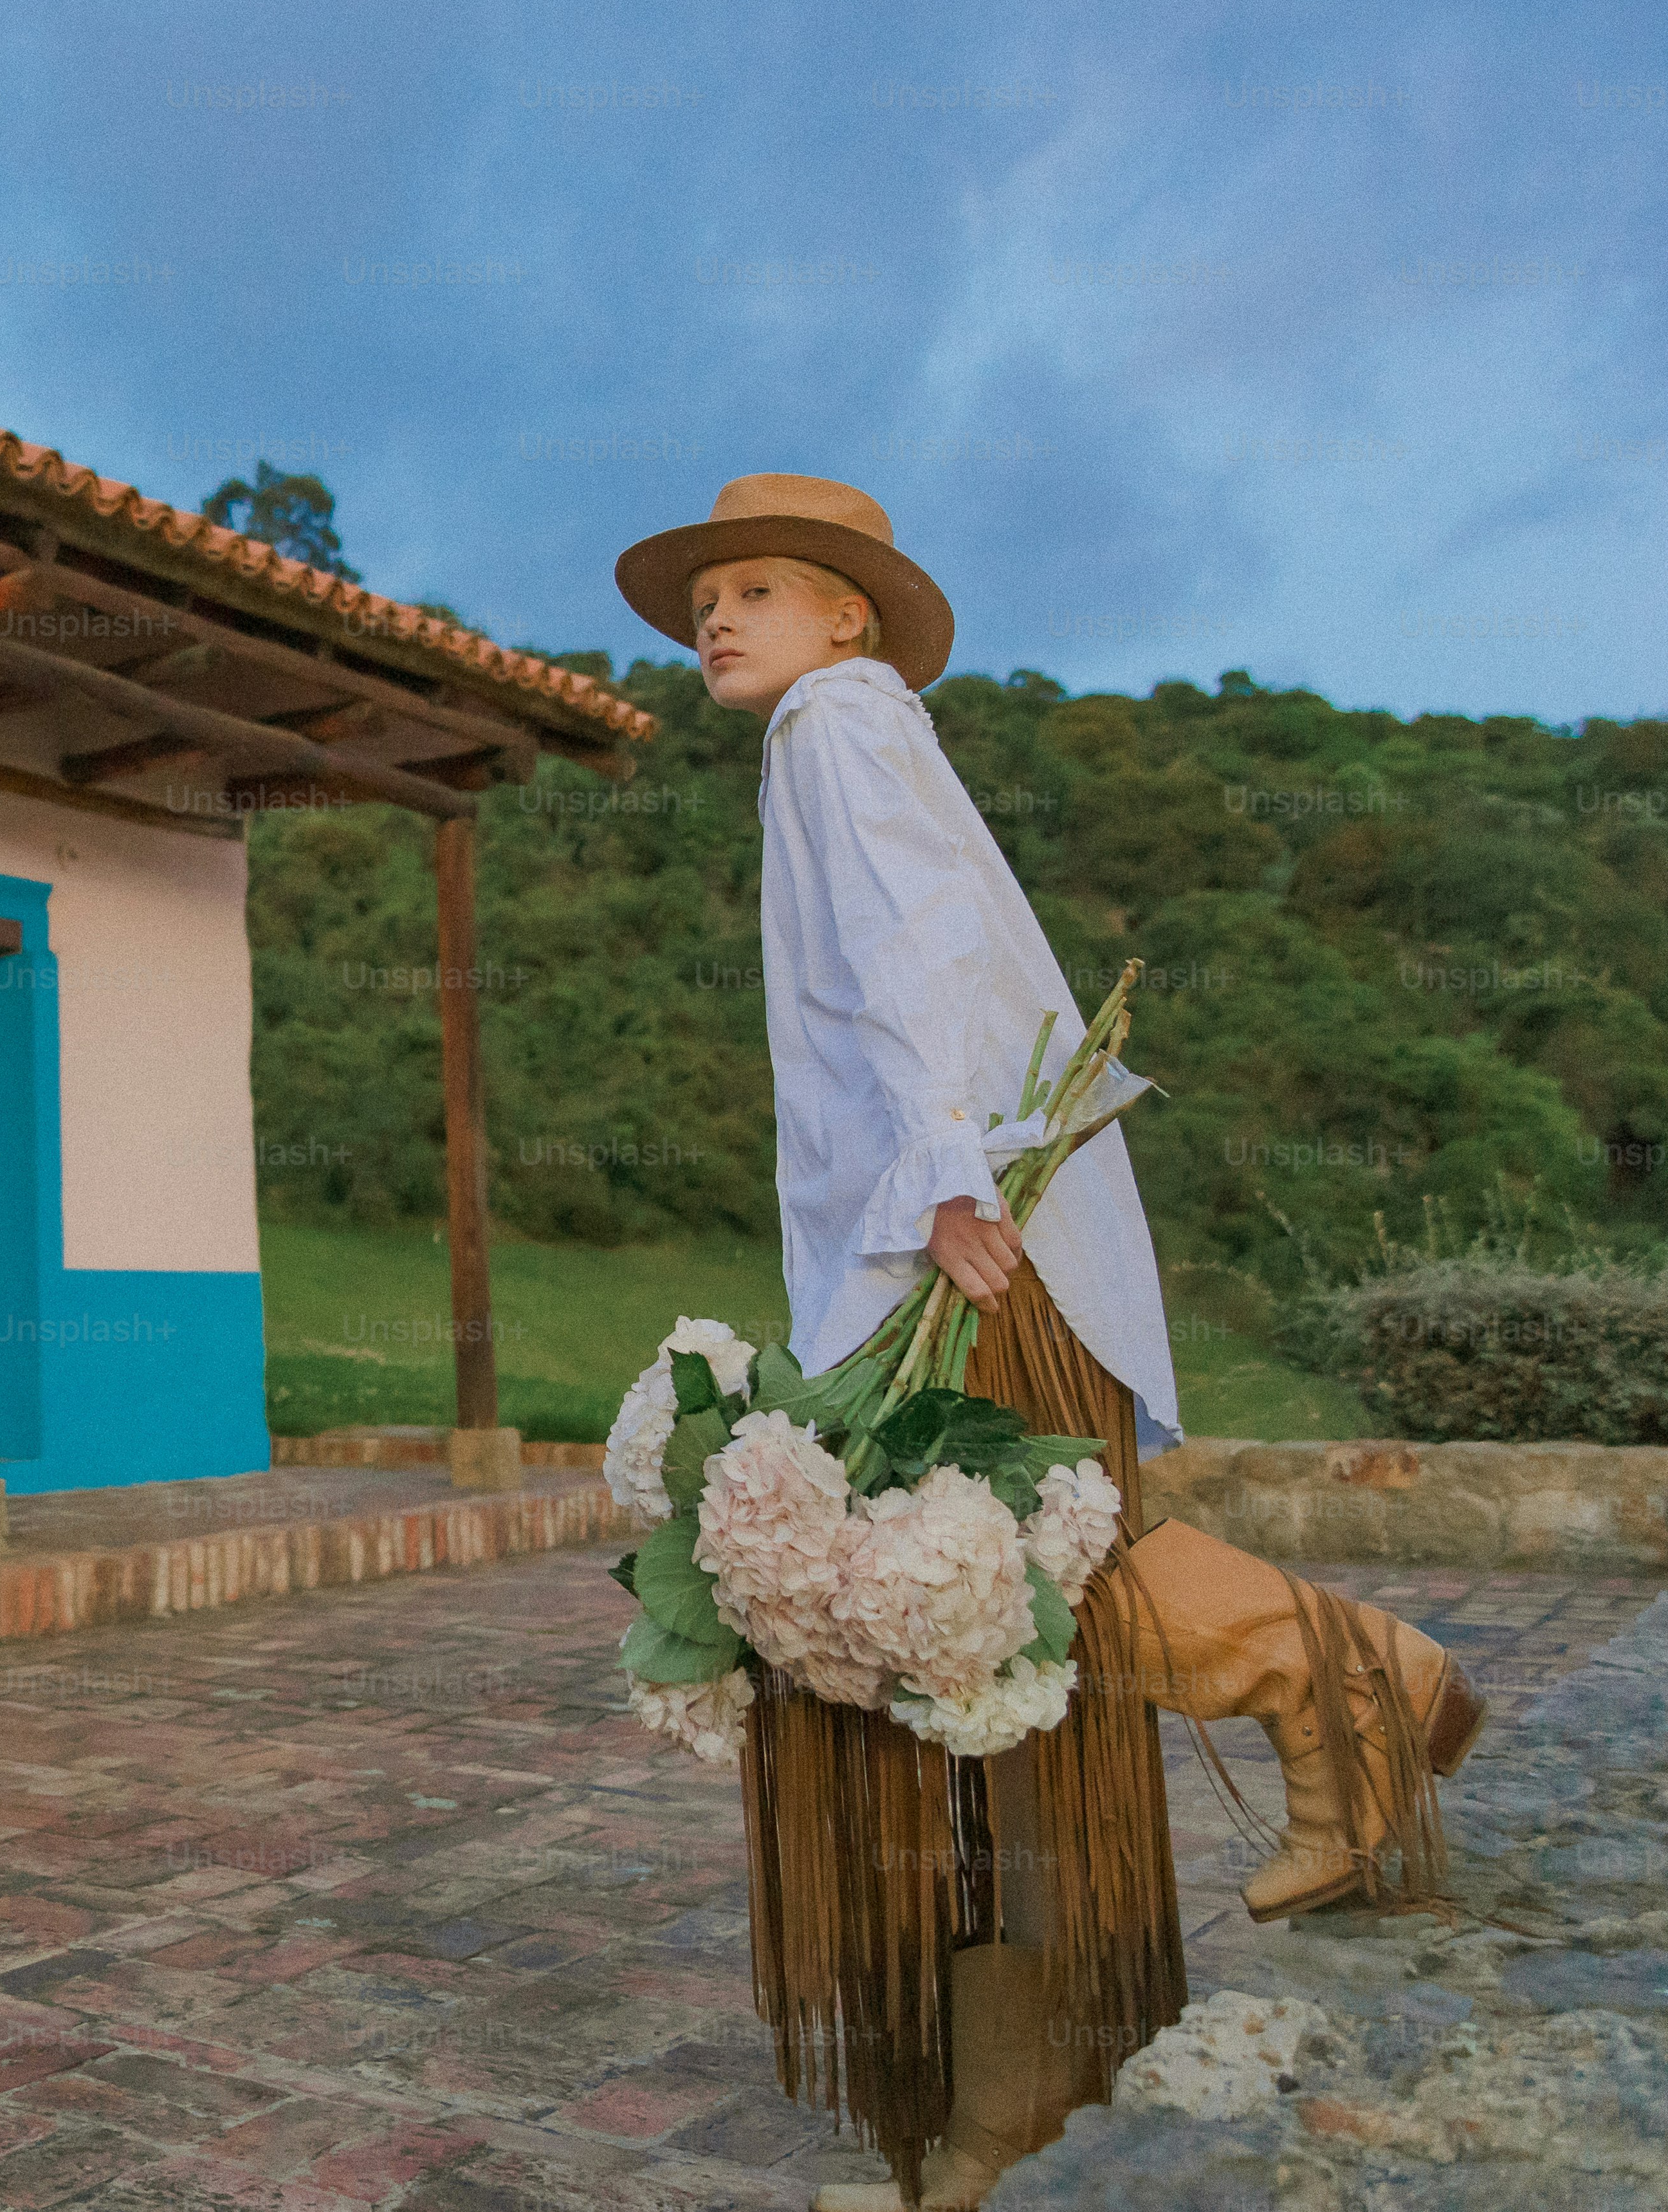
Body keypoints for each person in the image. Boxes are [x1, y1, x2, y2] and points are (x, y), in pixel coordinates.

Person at [615, 477, 1488, 2211]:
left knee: (1010, 1616)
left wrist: (946, 1173)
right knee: (997, 1669)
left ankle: (1348, 1685)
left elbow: (915, 959)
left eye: (759, 589)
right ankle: (994, 2118)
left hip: (965, 1247)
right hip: (955, 1235)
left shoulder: (836, 728)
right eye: (706, 594)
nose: (718, 618)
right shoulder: (849, 731)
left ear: (845, 617)